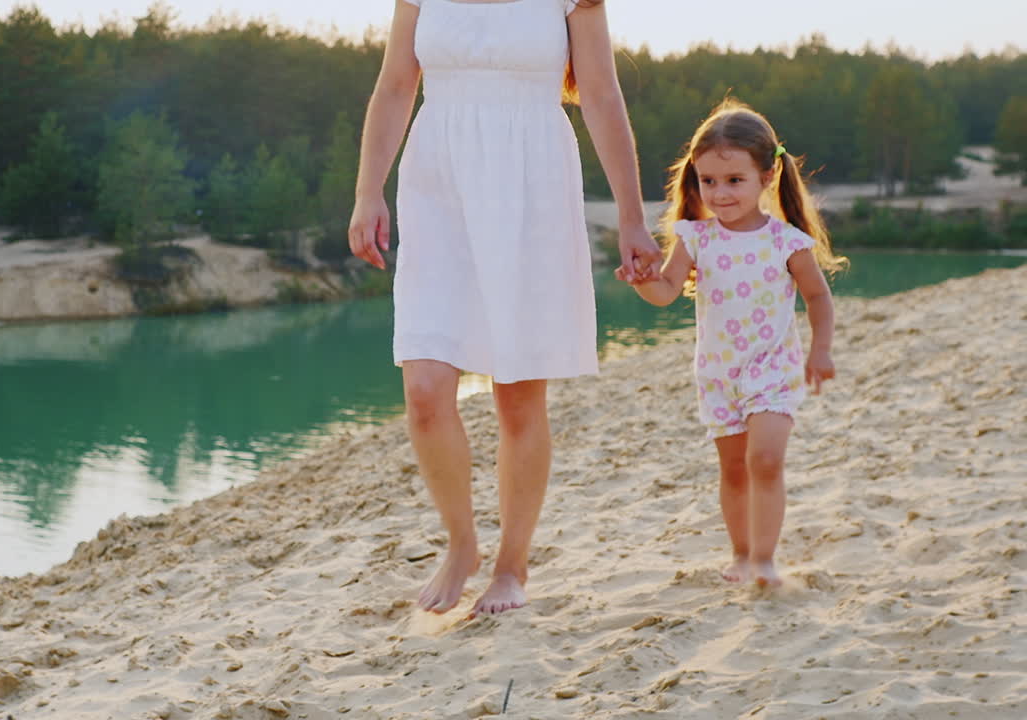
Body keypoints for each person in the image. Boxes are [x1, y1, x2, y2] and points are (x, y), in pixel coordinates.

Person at [349, 0, 662, 616]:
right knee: (425, 391)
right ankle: (461, 543)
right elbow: (393, 87)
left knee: (518, 395)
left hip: (530, 183)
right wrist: (367, 192)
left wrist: (631, 216)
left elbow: (601, 95)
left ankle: (511, 566)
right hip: (439, 186)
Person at [616, 99, 846, 588]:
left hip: (772, 371)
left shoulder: (788, 242)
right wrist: (640, 281)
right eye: (709, 181)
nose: (720, 193)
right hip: (718, 374)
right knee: (734, 469)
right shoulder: (696, 238)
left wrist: (820, 350)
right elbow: (665, 293)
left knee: (764, 461)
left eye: (734, 180)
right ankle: (741, 553)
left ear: (766, 176)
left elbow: (818, 299)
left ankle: (764, 558)